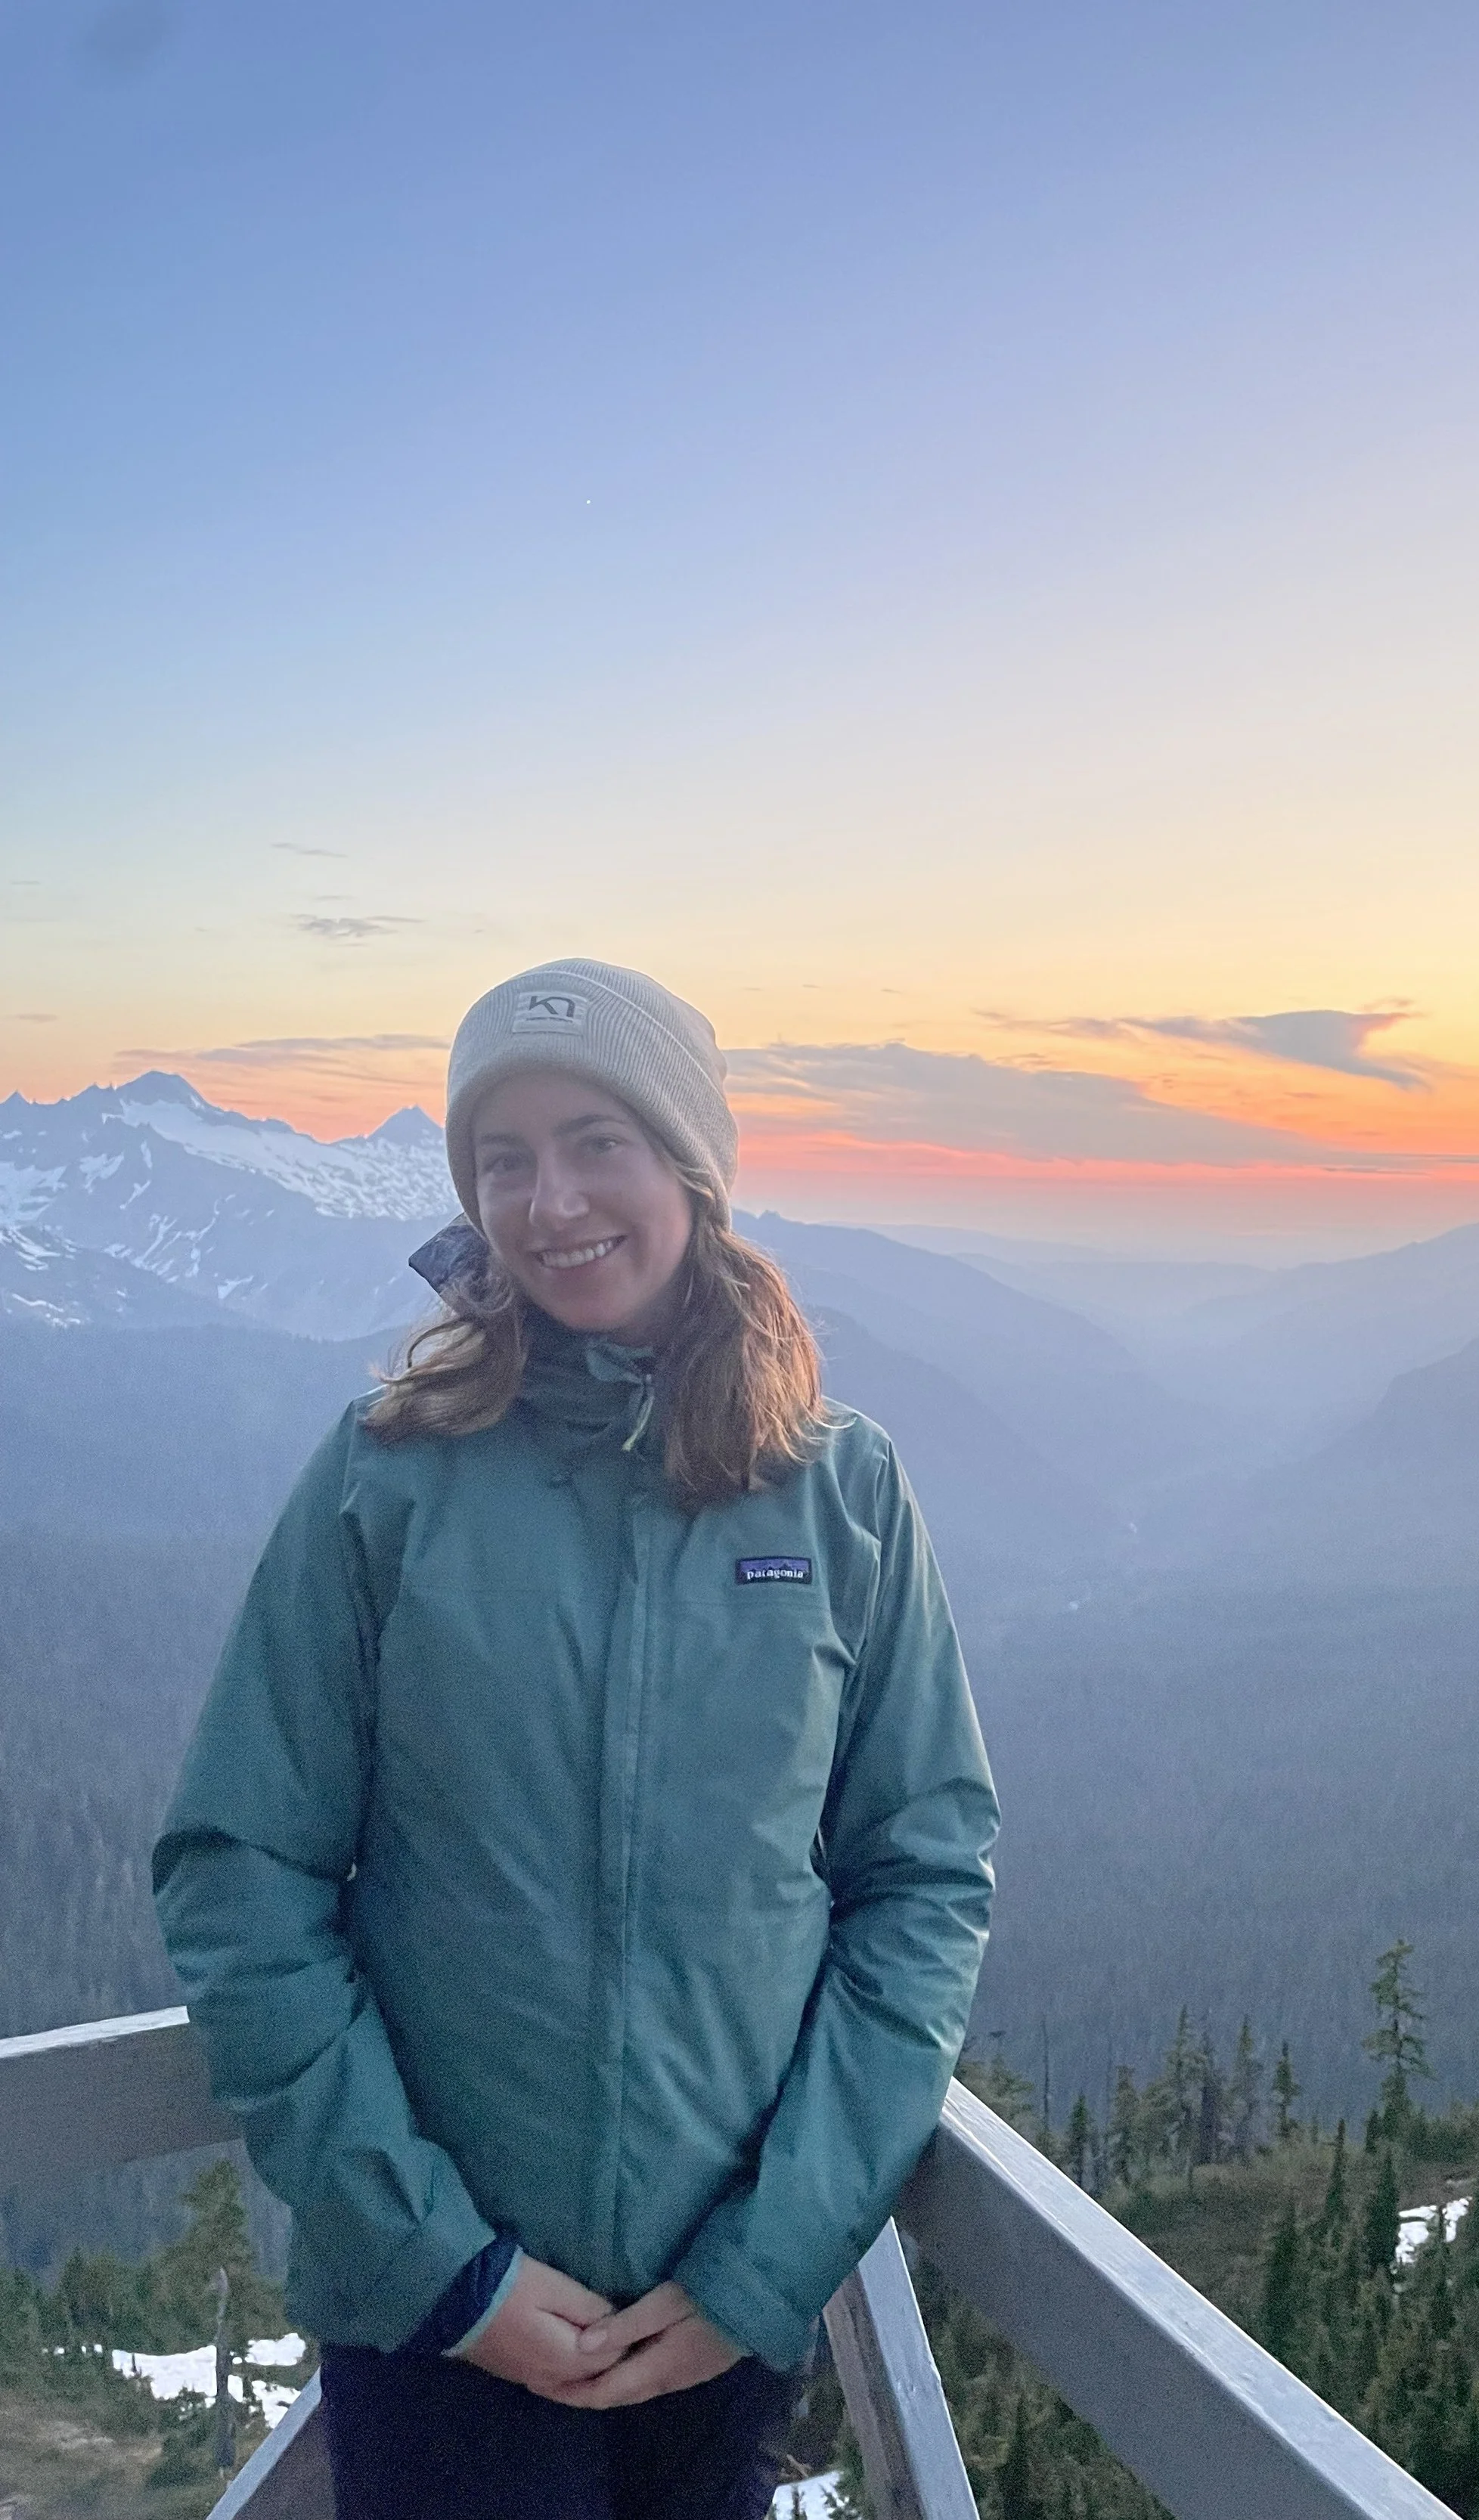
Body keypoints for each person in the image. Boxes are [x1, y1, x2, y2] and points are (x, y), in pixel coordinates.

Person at [153, 958, 1000, 2520]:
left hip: (717, 2322)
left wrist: (769, 2261)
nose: (549, 1203)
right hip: (439, 2320)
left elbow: (922, 1879)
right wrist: (437, 2263)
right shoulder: (388, 1478)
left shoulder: (838, 1493)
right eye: (504, 1159)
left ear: (691, 1164)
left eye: (595, 1140)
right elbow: (240, 1867)